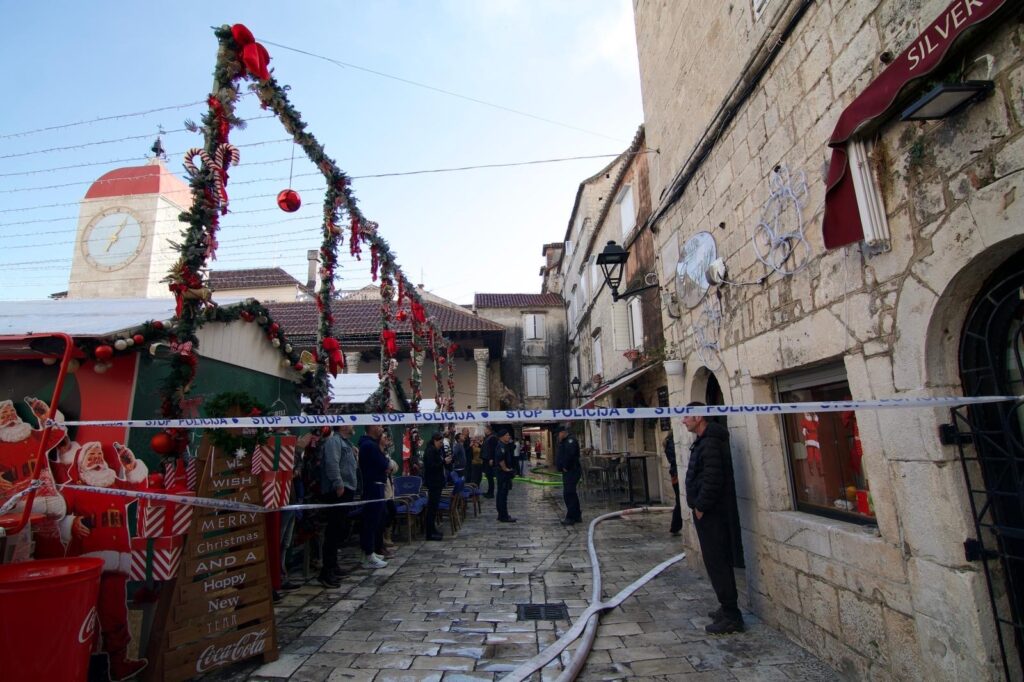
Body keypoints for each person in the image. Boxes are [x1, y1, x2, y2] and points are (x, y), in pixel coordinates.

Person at [60, 441, 149, 680]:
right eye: (91, 455)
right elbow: (56, 516)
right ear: (81, 463)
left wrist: (130, 466)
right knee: (82, 614)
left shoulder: (115, 484)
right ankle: (78, 664)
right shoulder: (72, 488)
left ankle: (118, 663)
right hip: (86, 563)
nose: (97, 458)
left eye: (99, 454)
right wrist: (71, 524)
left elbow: (139, 488)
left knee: (115, 613)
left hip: (116, 560)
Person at [683, 403, 743, 634]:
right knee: (715, 561)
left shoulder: (710, 443)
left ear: (699, 417)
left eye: (686, 416)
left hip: (712, 513)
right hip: (709, 511)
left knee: (718, 561)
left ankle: (731, 615)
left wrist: (701, 506)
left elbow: (712, 477)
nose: (683, 420)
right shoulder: (705, 441)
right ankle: (726, 607)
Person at [318, 425, 358, 588]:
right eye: (350, 423)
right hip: (338, 491)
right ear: (342, 426)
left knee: (340, 529)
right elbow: (332, 463)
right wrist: (338, 483)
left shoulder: (346, 443)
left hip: (347, 488)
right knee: (333, 531)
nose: (353, 426)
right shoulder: (334, 441)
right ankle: (326, 572)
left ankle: (333, 566)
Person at [358, 424, 390, 569]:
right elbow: (384, 464)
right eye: (379, 425)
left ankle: (369, 552)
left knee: (376, 519)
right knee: (371, 521)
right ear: (372, 427)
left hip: (377, 485)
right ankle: (368, 555)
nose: (381, 428)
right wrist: (385, 465)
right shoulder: (369, 446)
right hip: (373, 486)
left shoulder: (371, 445)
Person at [423, 431, 450, 540]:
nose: (441, 444)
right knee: (432, 508)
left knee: (434, 508)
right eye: (440, 442)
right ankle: (429, 533)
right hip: (433, 482)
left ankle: (433, 530)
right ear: (435, 440)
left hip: (437, 482)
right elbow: (432, 466)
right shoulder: (430, 451)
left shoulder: (436, 450)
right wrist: (443, 462)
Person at [375, 430, 399, 557]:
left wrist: (390, 468)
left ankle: (386, 536)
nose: (387, 439)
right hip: (381, 488)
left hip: (389, 486)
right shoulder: (376, 451)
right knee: (384, 513)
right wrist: (388, 467)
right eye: (384, 437)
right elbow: (385, 466)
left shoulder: (385, 453)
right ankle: (382, 539)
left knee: (391, 511)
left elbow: (393, 467)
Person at [555, 424, 582, 526]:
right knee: (572, 493)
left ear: (563, 433)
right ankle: (577, 515)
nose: (558, 437)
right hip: (569, 471)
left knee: (569, 494)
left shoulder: (570, 441)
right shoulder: (565, 441)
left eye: (558, 434)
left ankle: (570, 517)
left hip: (571, 471)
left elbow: (570, 455)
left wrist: (565, 466)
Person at [495, 427, 517, 522]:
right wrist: (506, 469)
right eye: (507, 435)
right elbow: (501, 459)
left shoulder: (505, 445)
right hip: (502, 474)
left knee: (502, 494)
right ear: (502, 437)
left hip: (503, 473)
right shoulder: (501, 446)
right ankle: (503, 516)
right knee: (502, 495)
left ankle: (502, 514)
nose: (509, 437)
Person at [664, 431, 683, 535]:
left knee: (679, 501)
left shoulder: (670, 443)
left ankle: (675, 527)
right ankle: (675, 526)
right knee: (680, 501)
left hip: (675, 473)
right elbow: (675, 459)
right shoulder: (671, 443)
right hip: (676, 474)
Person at [481, 424, 498, 498]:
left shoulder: (492, 437)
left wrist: (491, 459)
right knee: (488, 476)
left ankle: (491, 493)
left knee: (490, 476)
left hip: (489, 460)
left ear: (488, 429)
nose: (484, 430)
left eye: (485, 429)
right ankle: (489, 492)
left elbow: (493, 449)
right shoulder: (488, 437)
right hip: (486, 459)